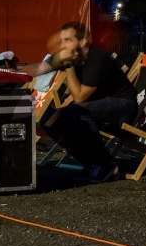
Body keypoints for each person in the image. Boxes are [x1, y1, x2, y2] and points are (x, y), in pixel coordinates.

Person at [37, 21, 137, 182]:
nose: (64, 45)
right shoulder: (76, 58)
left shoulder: (98, 58)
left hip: (123, 106)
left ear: (82, 41)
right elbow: (42, 70)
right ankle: (90, 163)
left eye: (68, 40)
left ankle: (105, 165)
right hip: (95, 105)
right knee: (49, 120)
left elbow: (80, 97)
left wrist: (68, 66)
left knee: (77, 113)